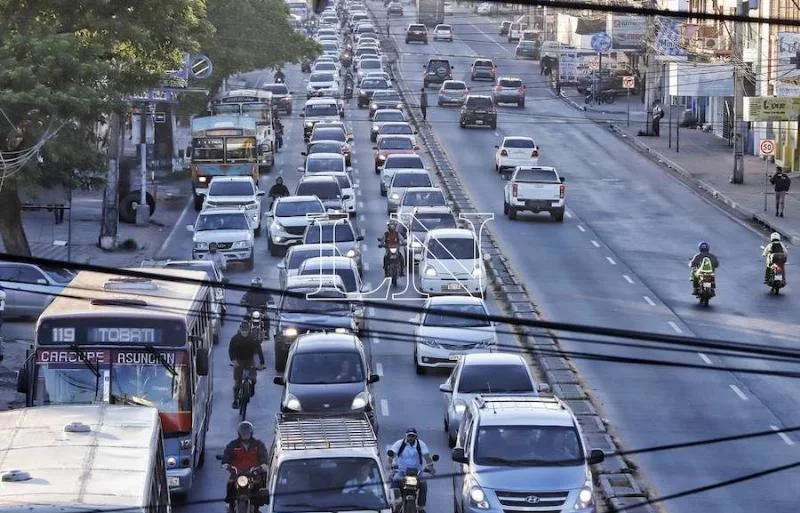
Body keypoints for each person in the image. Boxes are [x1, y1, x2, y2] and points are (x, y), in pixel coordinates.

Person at [221, 421, 270, 513]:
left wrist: (263, 464)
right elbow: (227, 454)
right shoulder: (233, 445)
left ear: (251, 433)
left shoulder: (258, 445)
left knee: (258, 487)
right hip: (237, 474)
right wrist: (225, 463)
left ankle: (256, 507)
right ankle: (230, 505)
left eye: (247, 433)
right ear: (239, 433)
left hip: (253, 474)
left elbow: (264, 455)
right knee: (230, 484)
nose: (245, 435)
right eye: (243, 433)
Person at [389, 428, 435, 512]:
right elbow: (391, 455)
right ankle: (395, 502)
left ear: (416, 437)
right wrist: (389, 464)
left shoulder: (421, 445)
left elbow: (427, 458)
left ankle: (421, 507)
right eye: (409, 436)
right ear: (405, 436)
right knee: (395, 481)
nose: (411, 438)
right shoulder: (399, 444)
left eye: (413, 436)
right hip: (401, 471)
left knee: (423, 484)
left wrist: (431, 468)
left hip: (416, 473)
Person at [228, 322, 266, 409]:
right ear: (240, 330)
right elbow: (231, 350)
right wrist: (233, 360)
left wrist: (261, 363)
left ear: (249, 331)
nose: (244, 332)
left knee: (253, 378)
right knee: (237, 382)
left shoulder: (253, 339)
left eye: (246, 331)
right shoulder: (235, 339)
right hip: (238, 360)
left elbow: (259, 350)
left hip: (249, 360)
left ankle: (251, 388)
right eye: (243, 331)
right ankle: (235, 400)